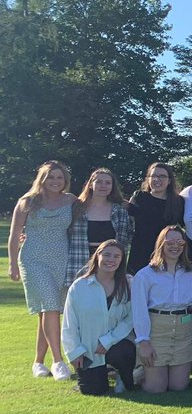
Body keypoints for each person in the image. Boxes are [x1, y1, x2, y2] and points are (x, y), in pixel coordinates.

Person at [9, 160, 76, 380]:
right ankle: (58, 362)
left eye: (59, 177)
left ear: (65, 180)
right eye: (51, 177)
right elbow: (14, 234)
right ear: (42, 179)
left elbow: (96, 204)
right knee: (50, 306)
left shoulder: (71, 201)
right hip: (33, 259)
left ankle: (38, 362)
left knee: (47, 312)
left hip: (60, 259)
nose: (55, 181)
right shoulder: (28, 202)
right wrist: (12, 264)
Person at [131, 225, 192, 394]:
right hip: (156, 332)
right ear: (161, 244)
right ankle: (139, 371)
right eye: (170, 241)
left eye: (179, 242)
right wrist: (143, 342)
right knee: (155, 388)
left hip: (184, 331)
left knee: (179, 386)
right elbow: (139, 311)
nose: (175, 246)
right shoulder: (145, 274)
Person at [62, 240, 136, 395]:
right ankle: (99, 375)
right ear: (97, 256)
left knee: (125, 352)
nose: (111, 259)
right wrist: (75, 352)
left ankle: (123, 375)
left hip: (118, 344)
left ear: (122, 260)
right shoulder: (79, 287)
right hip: (90, 350)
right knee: (93, 390)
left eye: (116, 256)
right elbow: (69, 324)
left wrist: (109, 340)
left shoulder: (129, 283)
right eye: (107, 254)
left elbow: (131, 317)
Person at [67, 167, 134, 281]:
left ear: (112, 187)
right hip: (80, 260)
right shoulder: (76, 208)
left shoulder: (119, 211)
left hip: (110, 263)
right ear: (90, 184)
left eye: (108, 183)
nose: (103, 185)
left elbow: (125, 239)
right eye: (99, 182)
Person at [126, 163, 185, 272]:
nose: (157, 179)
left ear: (169, 180)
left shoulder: (178, 202)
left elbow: (185, 227)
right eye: (153, 176)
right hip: (139, 253)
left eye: (162, 176)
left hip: (166, 254)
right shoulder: (139, 197)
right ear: (148, 179)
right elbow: (127, 222)